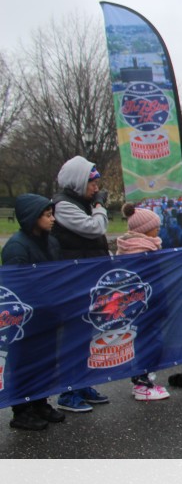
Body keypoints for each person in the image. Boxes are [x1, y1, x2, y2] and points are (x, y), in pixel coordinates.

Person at [1, 194, 67, 430]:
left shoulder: (52, 242)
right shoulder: (16, 247)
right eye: (47, 215)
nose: (52, 219)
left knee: (47, 361)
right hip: (28, 317)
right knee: (24, 363)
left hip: (49, 313)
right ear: (32, 217)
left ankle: (40, 402)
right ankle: (21, 410)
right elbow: (16, 285)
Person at [51, 157, 111, 413]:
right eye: (91, 183)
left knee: (86, 334)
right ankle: (68, 391)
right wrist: (99, 207)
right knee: (72, 338)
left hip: (88, 279)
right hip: (72, 282)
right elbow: (94, 228)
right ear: (78, 181)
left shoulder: (82, 202)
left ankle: (81, 383)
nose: (96, 188)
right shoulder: (64, 204)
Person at [114, 203, 170, 401]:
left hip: (150, 303)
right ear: (144, 229)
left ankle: (144, 377)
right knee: (148, 341)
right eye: (155, 226)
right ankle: (142, 382)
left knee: (149, 340)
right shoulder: (140, 252)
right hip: (145, 306)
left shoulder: (145, 248)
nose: (158, 229)